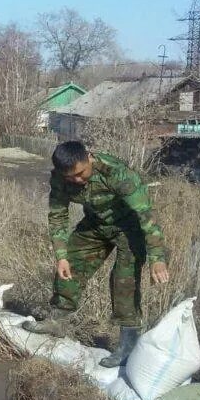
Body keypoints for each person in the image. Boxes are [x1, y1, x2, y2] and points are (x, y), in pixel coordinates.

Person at [23, 141, 169, 368]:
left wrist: (157, 259)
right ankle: (57, 321)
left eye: (81, 173)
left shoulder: (118, 174)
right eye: (72, 178)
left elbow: (146, 217)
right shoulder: (61, 178)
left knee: (123, 282)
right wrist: (61, 255)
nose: (78, 180)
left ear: (89, 157)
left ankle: (128, 345)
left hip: (130, 229)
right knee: (70, 263)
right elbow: (58, 214)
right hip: (95, 225)